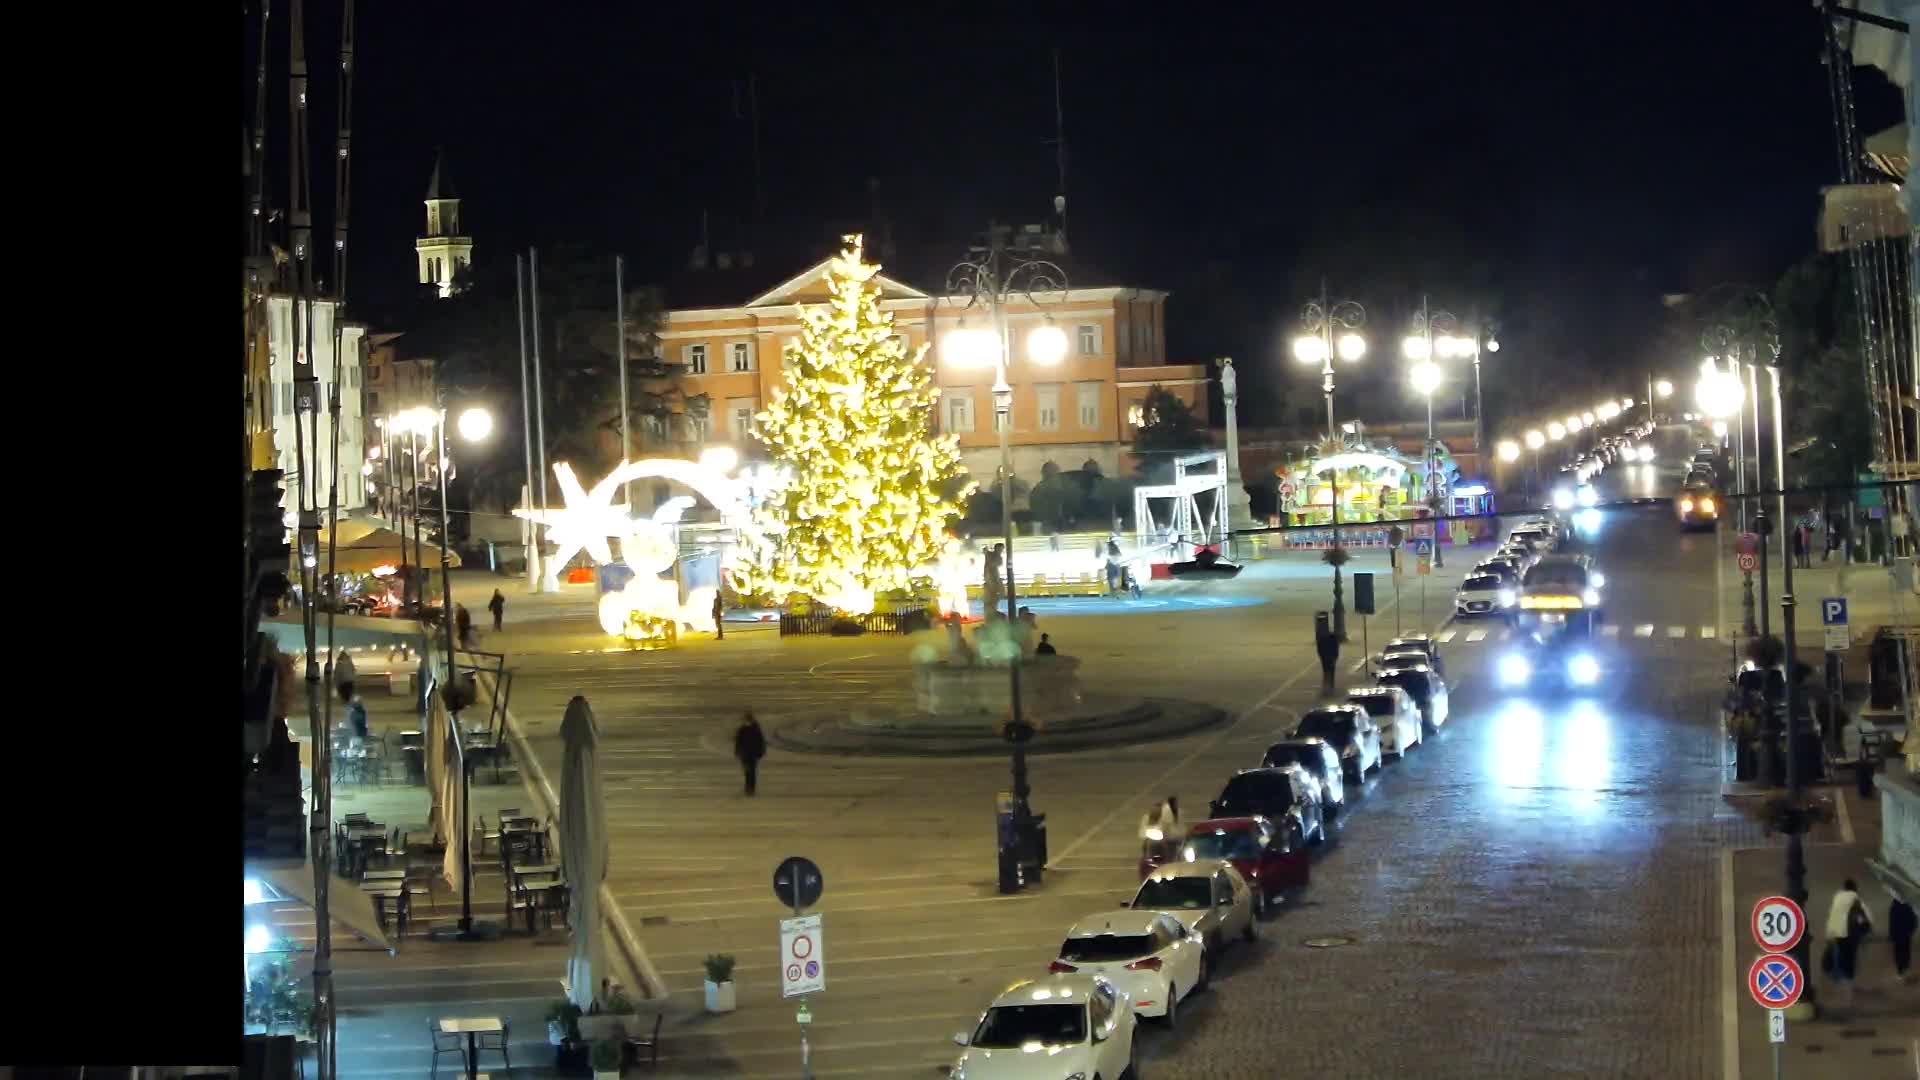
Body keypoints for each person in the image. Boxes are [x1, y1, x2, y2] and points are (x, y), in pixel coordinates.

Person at [1825, 877, 1874, 1006]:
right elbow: (1865, 916)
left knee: (1837, 956)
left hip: (1834, 932)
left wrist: (1829, 931)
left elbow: (1832, 914)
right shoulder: (1855, 898)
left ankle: (1838, 980)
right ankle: (1847, 985)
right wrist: (1867, 930)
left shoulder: (1837, 897)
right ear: (1854, 888)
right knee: (1849, 958)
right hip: (1849, 933)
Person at [733, 711, 766, 796]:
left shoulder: (753, 729)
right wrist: (737, 751)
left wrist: (761, 751)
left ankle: (750, 788)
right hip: (746, 753)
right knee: (748, 771)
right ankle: (749, 787)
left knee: (751, 771)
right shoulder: (746, 729)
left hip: (751, 753)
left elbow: (760, 741)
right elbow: (738, 741)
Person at [1138, 796, 1182, 861]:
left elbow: (1172, 830)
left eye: (1159, 807)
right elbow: (1142, 833)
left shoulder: (1166, 817)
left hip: (1166, 842)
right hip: (1152, 843)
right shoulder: (1146, 818)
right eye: (1155, 807)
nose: (1156, 809)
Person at [1890, 894, 1916, 985]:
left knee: (1898, 953)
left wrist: (1892, 935)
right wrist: (1911, 930)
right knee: (1906, 951)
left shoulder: (1894, 907)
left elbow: (1892, 922)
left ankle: (1900, 972)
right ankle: (1906, 969)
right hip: (1906, 934)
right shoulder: (1908, 906)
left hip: (1897, 935)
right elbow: (1913, 919)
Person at [1316, 620, 1341, 693]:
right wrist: (1336, 657)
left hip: (1325, 657)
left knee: (1326, 671)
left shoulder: (1321, 639)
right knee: (1331, 671)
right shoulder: (1333, 639)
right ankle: (1331, 686)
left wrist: (1321, 656)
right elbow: (1336, 649)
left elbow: (1319, 649)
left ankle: (1326, 686)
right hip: (1331, 657)